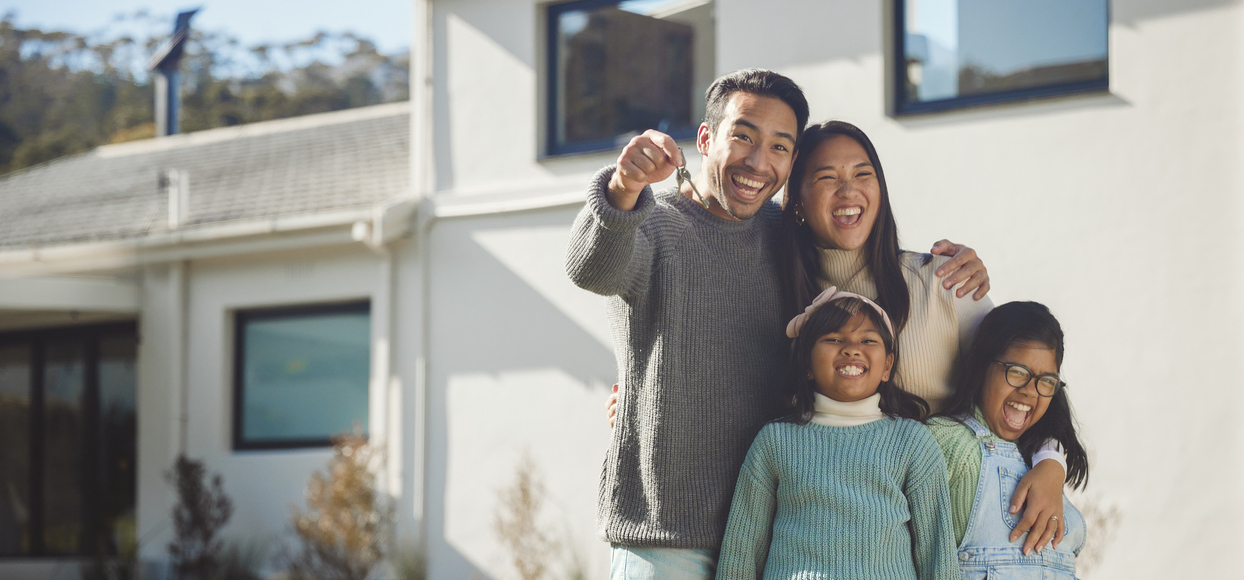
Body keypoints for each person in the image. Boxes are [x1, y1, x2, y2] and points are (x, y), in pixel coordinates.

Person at [566, 69, 986, 580]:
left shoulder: (786, 239)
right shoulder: (651, 223)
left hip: (777, 538)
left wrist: (956, 265)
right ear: (705, 138)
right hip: (667, 537)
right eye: (743, 136)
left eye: (780, 147)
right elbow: (592, 268)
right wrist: (625, 184)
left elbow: (852, 244)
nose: (758, 162)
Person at [778, 120, 1069, 552]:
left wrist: (1051, 465)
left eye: (863, 174)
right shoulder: (784, 305)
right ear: (797, 202)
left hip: (963, 536)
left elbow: (1030, 382)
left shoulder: (941, 282)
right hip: (856, 542)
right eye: (826, 178)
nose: (849, 192)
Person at [716, 288, 958, 580]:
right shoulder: (776, 441)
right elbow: (741, 548)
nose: (852, 348)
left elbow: (937, 552)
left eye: (868, 340)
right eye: (834, 339)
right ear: (806, 363)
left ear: (887, 366)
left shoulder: (912, 442)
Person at [928, 301, 1089, 578]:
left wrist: (1052, 463)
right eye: (1016, 371)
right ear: (982, 365)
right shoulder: (947, 442)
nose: (1030, 391)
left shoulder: (1043, 455)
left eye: (1046, 381)